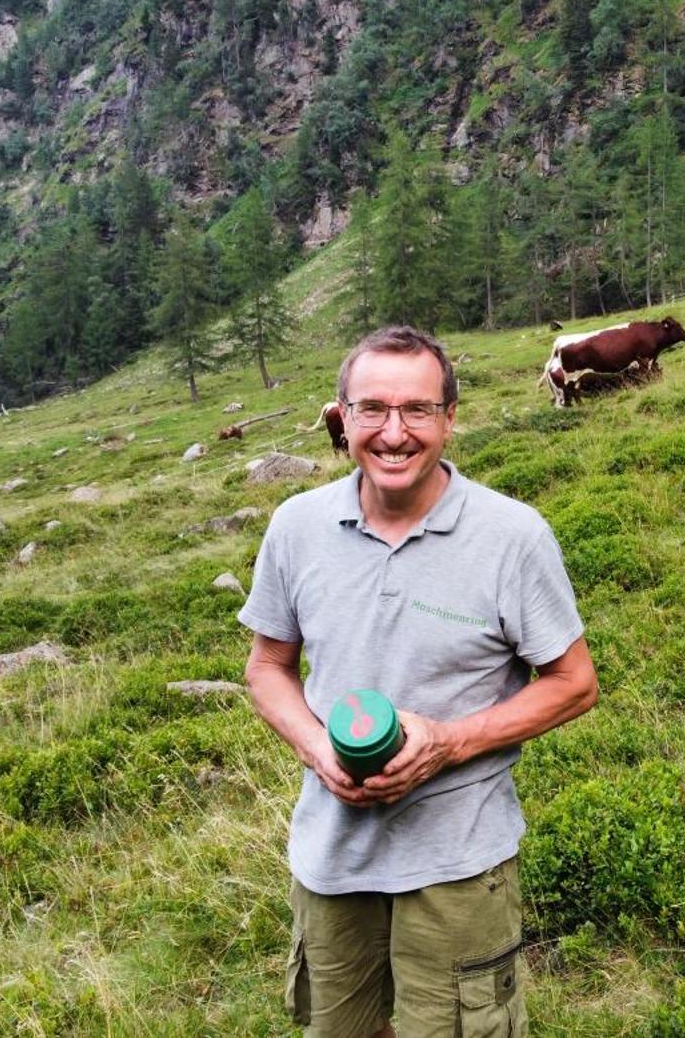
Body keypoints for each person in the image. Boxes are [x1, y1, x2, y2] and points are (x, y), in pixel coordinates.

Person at [240, 325, 598, 1037]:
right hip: (333, 855)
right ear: (341, 418)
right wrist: (318, 750)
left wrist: (448, 742)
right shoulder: (295, 527)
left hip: (460, 861)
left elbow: (574, 681)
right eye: (372, 409)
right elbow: (267, 667)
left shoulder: (513, 535)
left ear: (449, 419)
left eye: (418, 410)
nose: (394, 433)